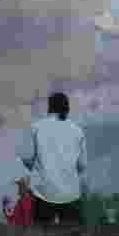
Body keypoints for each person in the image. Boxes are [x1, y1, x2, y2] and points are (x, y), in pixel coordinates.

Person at [16, 92, 87, 225]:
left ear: (49, 108)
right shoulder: (78, 131)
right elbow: (82, 165)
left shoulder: (36, 128)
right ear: (67, 109)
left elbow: (27, 159)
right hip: (70, 194)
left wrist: (37, 167)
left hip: (44, 194)